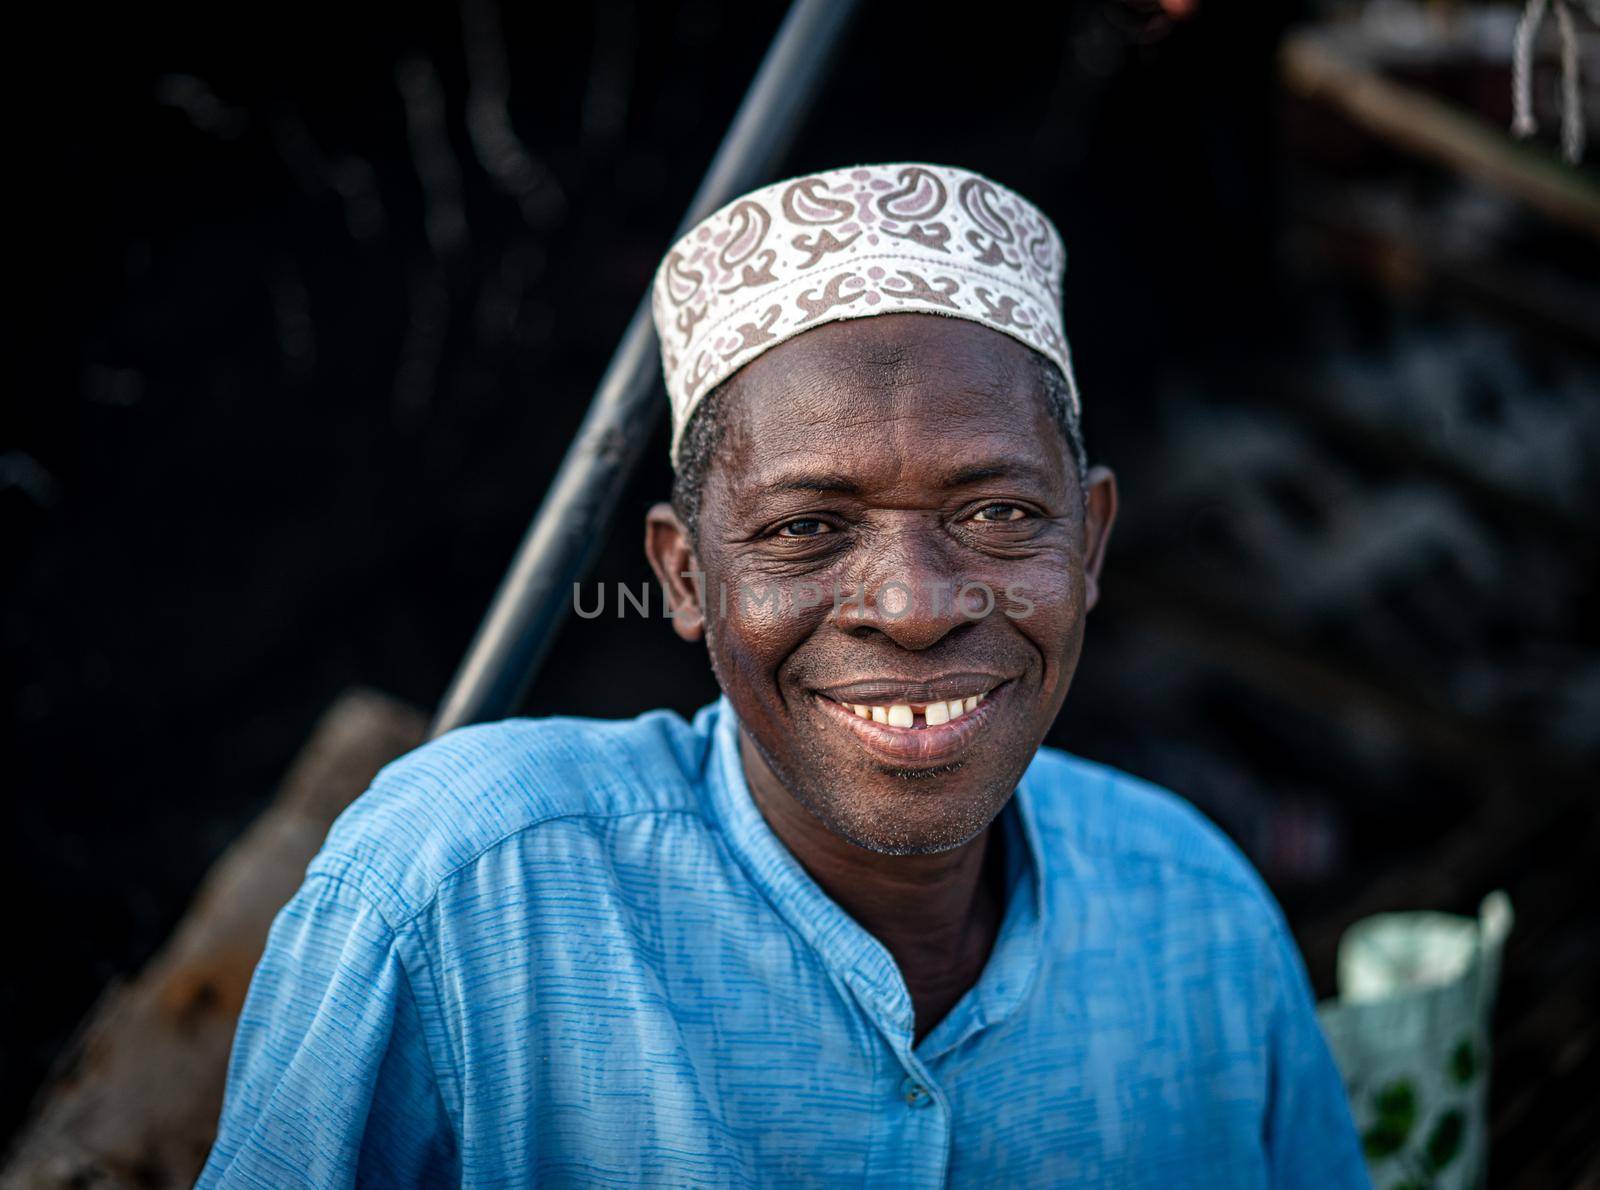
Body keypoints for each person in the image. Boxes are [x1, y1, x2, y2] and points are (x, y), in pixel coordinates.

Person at [199, 163, 1367, 1187]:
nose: (913, 604)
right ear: (686, 574)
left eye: (1000, 511)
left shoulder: (1195, 916)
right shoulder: (466, 897)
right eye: (807, 527)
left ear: (1092, 542)